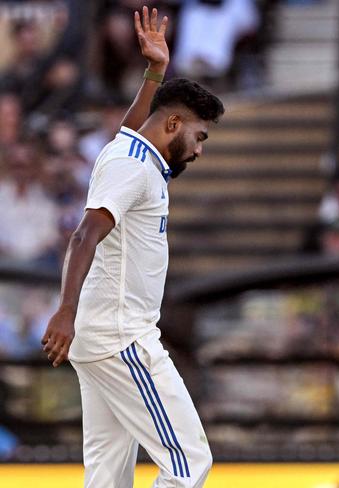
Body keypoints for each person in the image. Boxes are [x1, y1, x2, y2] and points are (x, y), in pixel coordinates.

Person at [40, 7, 224, 487]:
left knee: (107, 475)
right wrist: (64, 310)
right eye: (198, 136)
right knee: (189, 462)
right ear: (172, 125)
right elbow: (84, 235)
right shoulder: (134, 167)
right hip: (121, 338)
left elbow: (134, 126)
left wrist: (155, 73)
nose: (200, 149)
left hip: (99, 337)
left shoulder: (127, 148)